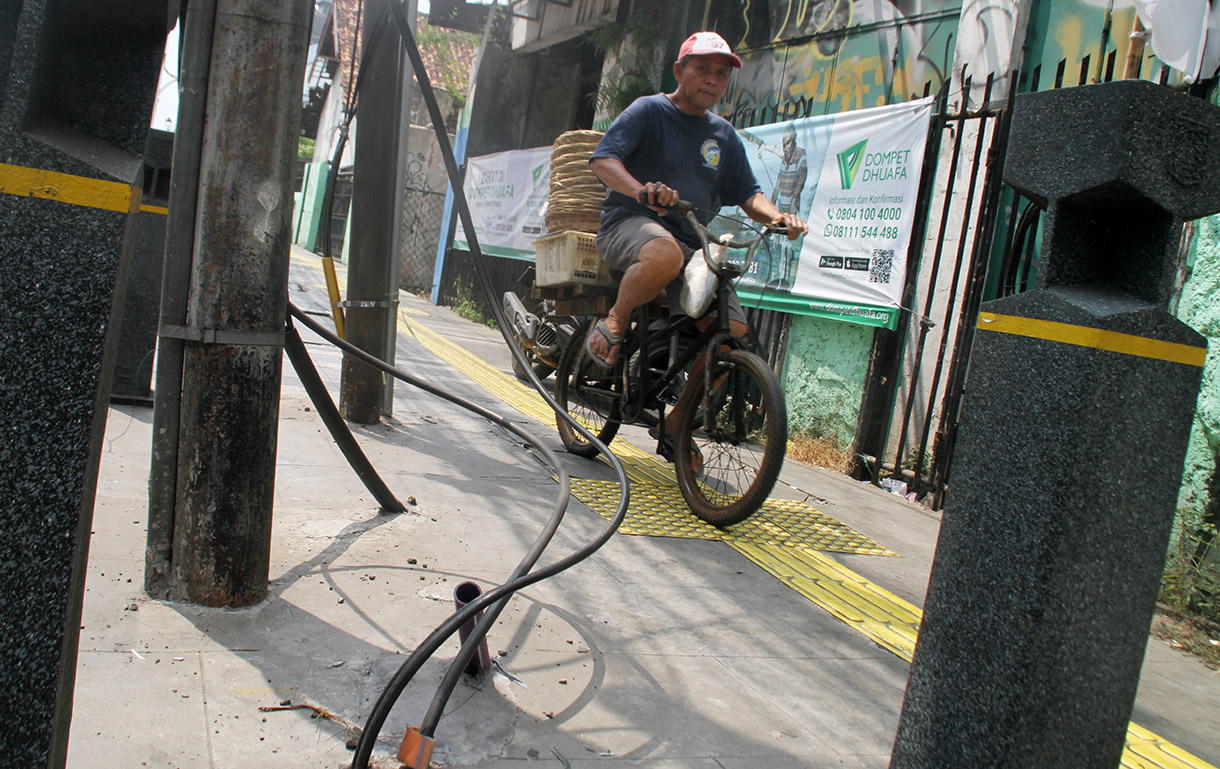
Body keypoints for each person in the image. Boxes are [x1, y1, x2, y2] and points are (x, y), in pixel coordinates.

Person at [585, 30, 806, 463]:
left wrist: (779, 217)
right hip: (629, 225)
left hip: (692, 249)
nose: (712, 79)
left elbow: (749, 194)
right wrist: (640, 190)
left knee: (733, 337)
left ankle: (675, 425)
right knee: (665, 252)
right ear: (679, 71)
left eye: (721, 74)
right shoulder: (649, 110)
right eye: (702, 68)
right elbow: (603, 160)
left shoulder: (723, 135)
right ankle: (615, 320)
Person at [768, 123, 808, 289]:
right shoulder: (784, 159)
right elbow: (777, 185)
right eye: (783, 143)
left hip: (792, 213)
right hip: (781, 212)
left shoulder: (800, 156)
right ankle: (775, 282)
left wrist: (793, 205)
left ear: (795, 141)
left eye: (788, 143)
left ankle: (786, 285)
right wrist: (770, 208)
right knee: (776, 249)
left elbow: (801, 179)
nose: (785, 147)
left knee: (788, 250)